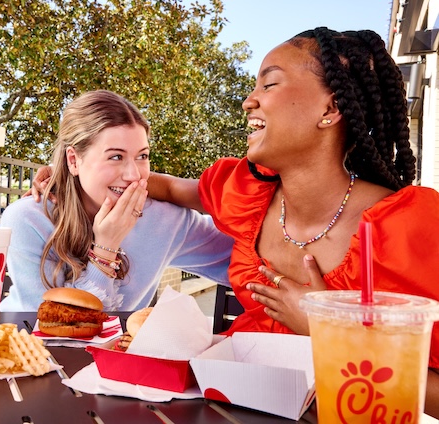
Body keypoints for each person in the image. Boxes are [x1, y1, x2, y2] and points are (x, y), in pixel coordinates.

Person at [143, 27, 439, 417]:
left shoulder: (410, 227)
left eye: (270, 84)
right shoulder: (246, 191)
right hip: (225, 403)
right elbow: (166, 188)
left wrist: (327, 331)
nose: (249, 101)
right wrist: (72, 175)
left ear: (330, 109)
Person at [0, 90, 233, 313]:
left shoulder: (164, 220)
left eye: (142, 156)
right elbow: (54, 328)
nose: (133, 174)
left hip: (117, 356)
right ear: (73, 160)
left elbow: (247, 252)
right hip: (27, 351)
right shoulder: (28, 219)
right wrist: (106, 248)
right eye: (116, 157)